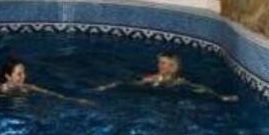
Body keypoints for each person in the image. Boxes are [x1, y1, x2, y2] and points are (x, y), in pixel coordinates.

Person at [95, 52, 238, 102]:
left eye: (164, 63)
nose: (160, 66)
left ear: (172, 66)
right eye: (160, 63)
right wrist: (108, 86)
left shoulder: (179, 80)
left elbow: (199, 87)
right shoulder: (153, 78)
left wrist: (219, 96)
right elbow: (129, 83)